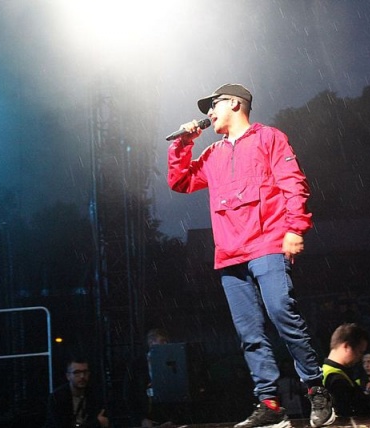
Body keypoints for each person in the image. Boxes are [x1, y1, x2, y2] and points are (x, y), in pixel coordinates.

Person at [167, 83, 334, 428]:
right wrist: (183, 143)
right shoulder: (212, 154)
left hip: (268, 242)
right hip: (230, 253)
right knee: (249, 332)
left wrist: (295, 228)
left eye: (213, 105)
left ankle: (316, 390)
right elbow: (180, 181)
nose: (208, 114)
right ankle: (269, 403)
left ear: (234, 103)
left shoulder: (269, 138)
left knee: (281, 312)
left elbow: (293, 182)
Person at [124, 328, 181, 427]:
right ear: (151, 343)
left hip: (166, 418)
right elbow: (129, 395)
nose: (165, 344)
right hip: (146, 418)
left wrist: (173, 419)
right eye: (162, 341)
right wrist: (141, 419)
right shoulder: (136, 365)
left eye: (166, 342)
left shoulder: (172, 363)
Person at [45, 357, 109, 428]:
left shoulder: (96, 395)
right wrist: (97, 423)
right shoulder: (57, 398)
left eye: (85, 372)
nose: (82, 376)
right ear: (68, 376)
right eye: (77, 373)